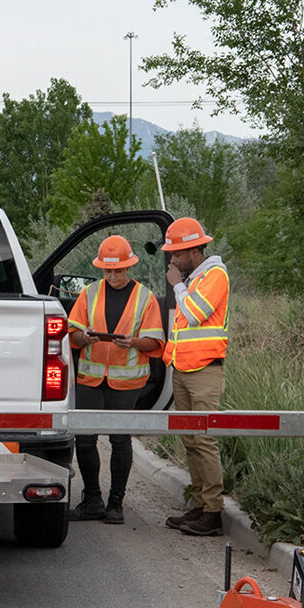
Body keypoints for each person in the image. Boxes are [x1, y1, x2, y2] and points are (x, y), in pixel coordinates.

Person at [67, 235, 165, 525]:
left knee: (120, 439)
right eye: (107, 271)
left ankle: (116, 503)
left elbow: (154, 343)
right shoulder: (89, 293)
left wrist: (133, 342)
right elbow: (72, 334)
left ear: (128, 267)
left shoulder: (145, 297)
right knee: (85, 440)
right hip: (90, 378)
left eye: (118, 270)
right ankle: (93, 499)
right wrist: (82, 337)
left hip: (127, 383)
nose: (112, 276)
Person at [160, 217, 230, 536]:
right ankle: (201, 505)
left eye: (177, 253)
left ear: (194, 250)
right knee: (190, 440)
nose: (172, 259)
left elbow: (192, 314)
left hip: (204, 371)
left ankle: (213, 512)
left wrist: (177, 284)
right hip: (184, 368)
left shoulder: (215, 275)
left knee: (204, 439)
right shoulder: (197, 278)